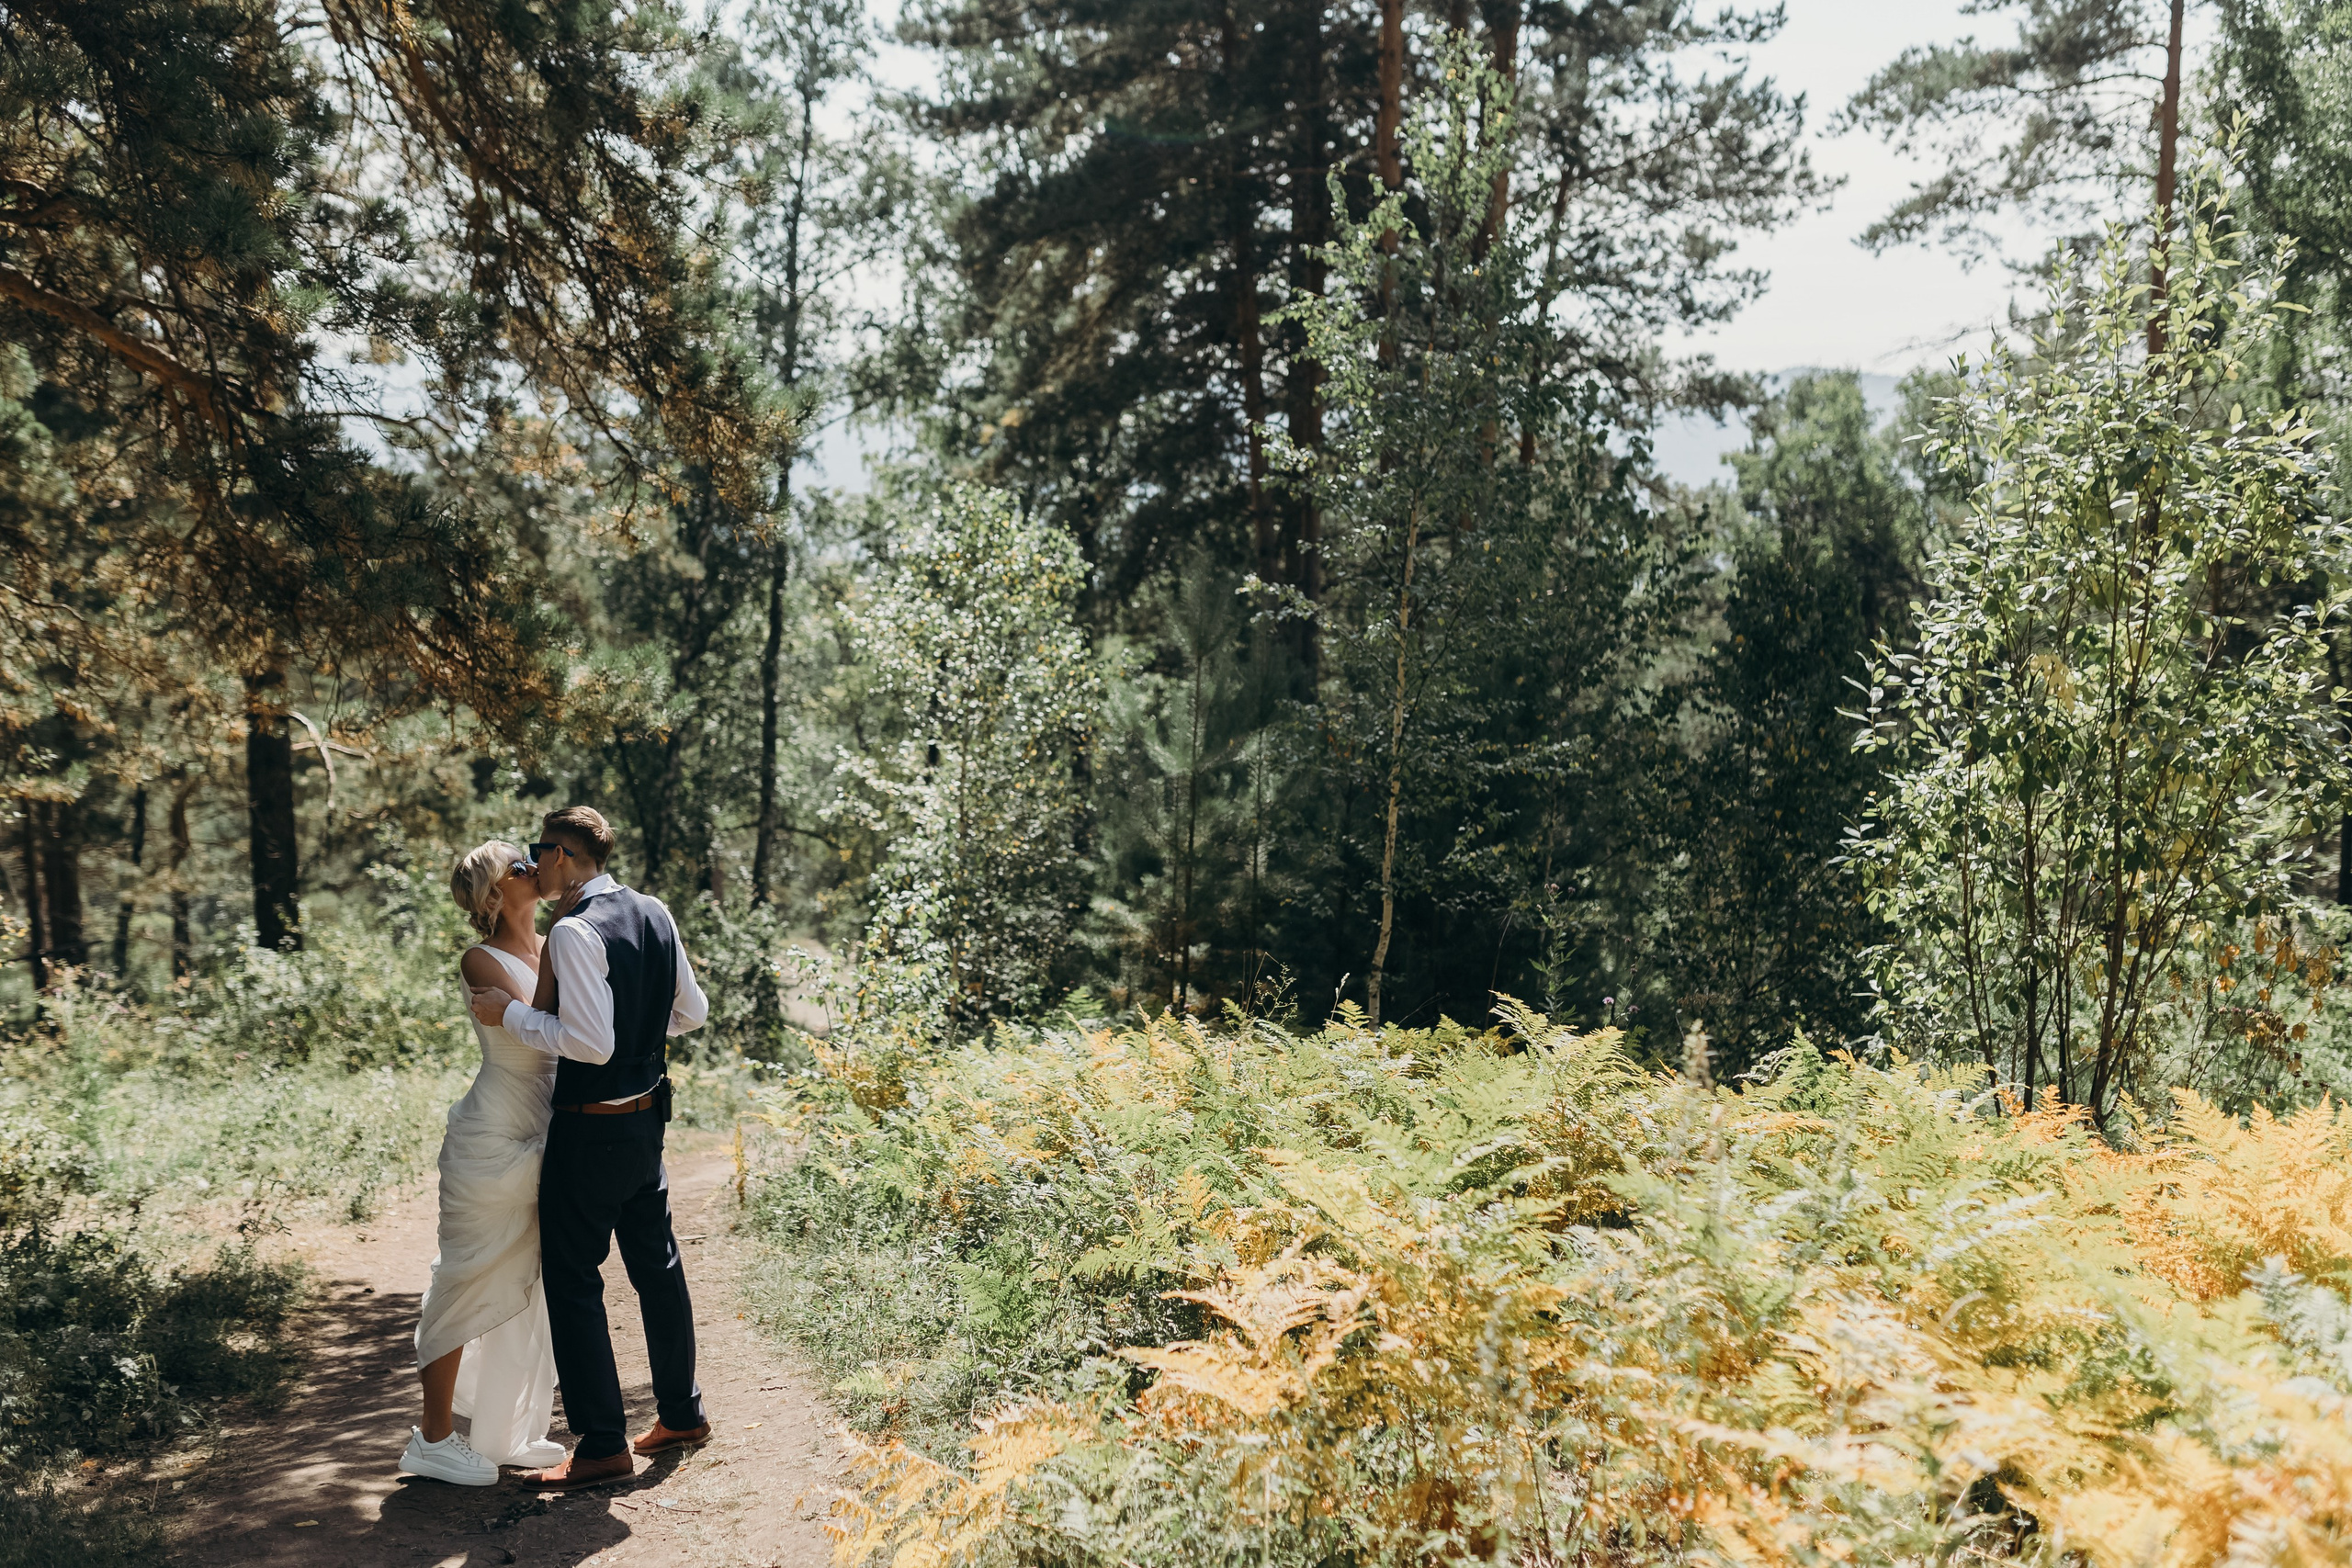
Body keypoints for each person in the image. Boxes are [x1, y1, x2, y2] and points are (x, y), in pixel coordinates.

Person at [466, 805, 713, 1489]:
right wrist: (635, 1019)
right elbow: (691, 1012)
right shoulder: (654, 911)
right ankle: (683, 1413)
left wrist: (509, 1013)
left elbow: (588, 1042)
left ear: (567, 857)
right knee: (656, 1267)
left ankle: (603, 1443)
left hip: (590, 1125)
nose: (533, 861)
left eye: (540, 851)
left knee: (573, 1279)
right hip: (646, 1123)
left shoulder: (574, 931)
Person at [400, 841, 566, 1485]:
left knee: (529, 1279)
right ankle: (433, 1438)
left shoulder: (555, 942)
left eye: (532, 859)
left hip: (546, 1121)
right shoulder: (481, 957)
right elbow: (548, 1022)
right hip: (493, 1136)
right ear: (494, 894)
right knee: (466, 1275)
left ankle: (505, 1431)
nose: (533, 867)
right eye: (518, 866)